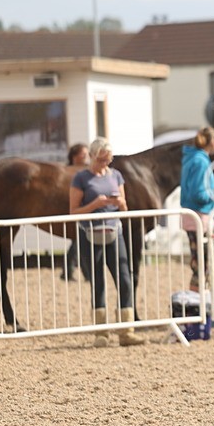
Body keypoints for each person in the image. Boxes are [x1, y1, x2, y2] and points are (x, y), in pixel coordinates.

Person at [68, 139, 146, 347]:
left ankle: (126, 330)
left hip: (114, 231)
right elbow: (73, 211)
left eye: (108, 159)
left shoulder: (116, 176)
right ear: (93, 157)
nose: (105, 162)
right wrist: (95, 204)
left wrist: (120, 203)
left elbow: (124, 209)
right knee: (98, 281)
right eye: (102, 159)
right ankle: (101, 332)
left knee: (124, 279)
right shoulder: (81, 178)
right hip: (90, 233)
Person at [180, 127, 214, 293]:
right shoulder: (201, 162)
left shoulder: (193, 159)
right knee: (201, 264)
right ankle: (198, 306)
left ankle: (199, 305)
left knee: (200, 263)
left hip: (194, 217)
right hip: (199, 217)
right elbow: (199, 194)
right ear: (213, 142)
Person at [62, 143, 89, 281]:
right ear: (74, 156)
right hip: (76, 211)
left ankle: (73, 272)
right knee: (78, 243)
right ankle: (70, 272)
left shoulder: (86, 171)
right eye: (83, 154)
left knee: (77, 243)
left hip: (83, 211)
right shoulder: (69, 173)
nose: (86, 156)